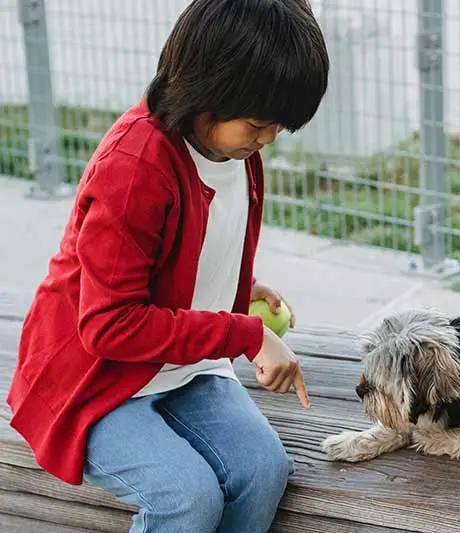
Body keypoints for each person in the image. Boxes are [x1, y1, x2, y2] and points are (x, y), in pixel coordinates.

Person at [5, 0, 329, 531]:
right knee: (187, 496)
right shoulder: (135, 168)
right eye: (258, 123)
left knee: (264, 470)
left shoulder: (236, 153)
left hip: (181, 368)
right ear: (210, 91)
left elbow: (186, 247)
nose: (269, 138)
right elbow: (110, 324)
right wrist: (244, 333)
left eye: (278, 126)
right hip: (97, 378)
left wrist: (238, 285)